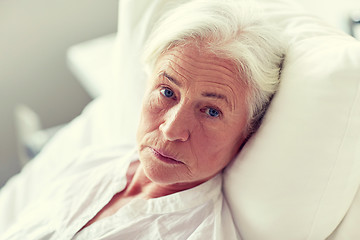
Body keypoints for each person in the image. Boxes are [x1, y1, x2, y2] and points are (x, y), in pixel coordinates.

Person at [0, 0, 284, 239]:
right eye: (167, 92)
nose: (172, 129)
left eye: (211, 111)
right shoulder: (95, 159)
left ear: (246, 132)